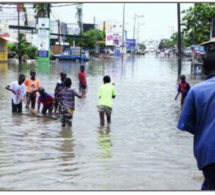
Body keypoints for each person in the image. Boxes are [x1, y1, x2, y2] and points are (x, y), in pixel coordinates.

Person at [177, 53, 215, 190]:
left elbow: (185, 123)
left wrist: (203, 130)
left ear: (204, 71)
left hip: (209, 153)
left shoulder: (196, 91)